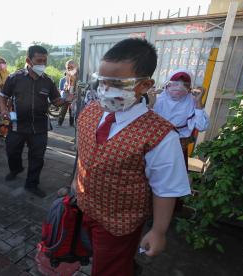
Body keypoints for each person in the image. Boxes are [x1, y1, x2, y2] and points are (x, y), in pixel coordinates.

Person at [72, 38, 190, 276]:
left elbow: (165, 189)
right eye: (101, 81)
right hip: (84, 207)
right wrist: (75, 181)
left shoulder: (160, 135)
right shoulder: (91, 111)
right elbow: (83, 152)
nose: (104, 89)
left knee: (109, 270)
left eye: (116, 83)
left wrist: (158, 231)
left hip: (120, 224)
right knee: (90, 253)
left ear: (145, 85)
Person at [0, 45, 73, 198]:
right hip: (17, 124)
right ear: (28, 60)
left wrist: (66, 100)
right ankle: (16, 169)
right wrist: (4, 110)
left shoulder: (47, 81)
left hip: (39, 127)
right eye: (39, 60)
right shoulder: (14, 78)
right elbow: (2, 95)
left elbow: (56, 101)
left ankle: (32, 183)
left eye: (45, 61)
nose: (42, 64)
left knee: (37, 157)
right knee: (11, 150)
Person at [149, 69, 209, 169]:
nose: (179, 88)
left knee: (174, 180)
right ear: (167, 84)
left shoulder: (192, 101)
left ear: (189, 87)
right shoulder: (158, 99)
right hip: (156, 147)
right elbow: (145, 125)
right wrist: (151, 104)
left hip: (178, 149)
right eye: (175, 84)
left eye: (183, 85)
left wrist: (199, 102)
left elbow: (202, 126)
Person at [58, 60, 77, 127]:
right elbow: (61, 89)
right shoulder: (64, 79)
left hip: (74, 96)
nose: (70, 69)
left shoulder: (79, 77)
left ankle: (72, 123)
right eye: (68, 67)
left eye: (71, 67)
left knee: (72, 110)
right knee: (64, 109)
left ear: (76, 66)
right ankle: (59, 122)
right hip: (66, 96)